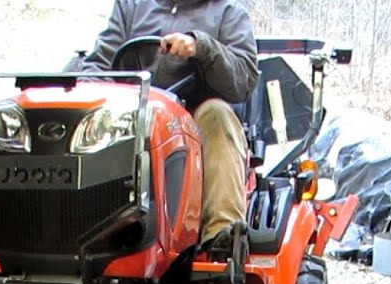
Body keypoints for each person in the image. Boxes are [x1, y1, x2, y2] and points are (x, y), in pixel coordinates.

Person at [76, 0, 260, 251]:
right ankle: (78, 229)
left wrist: (201, 47)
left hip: (193, 119)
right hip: (129, 116)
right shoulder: (131, 6)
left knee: (217, 113)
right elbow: (98, 64)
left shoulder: (228, 13)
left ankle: (222, 234)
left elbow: (243, 80)